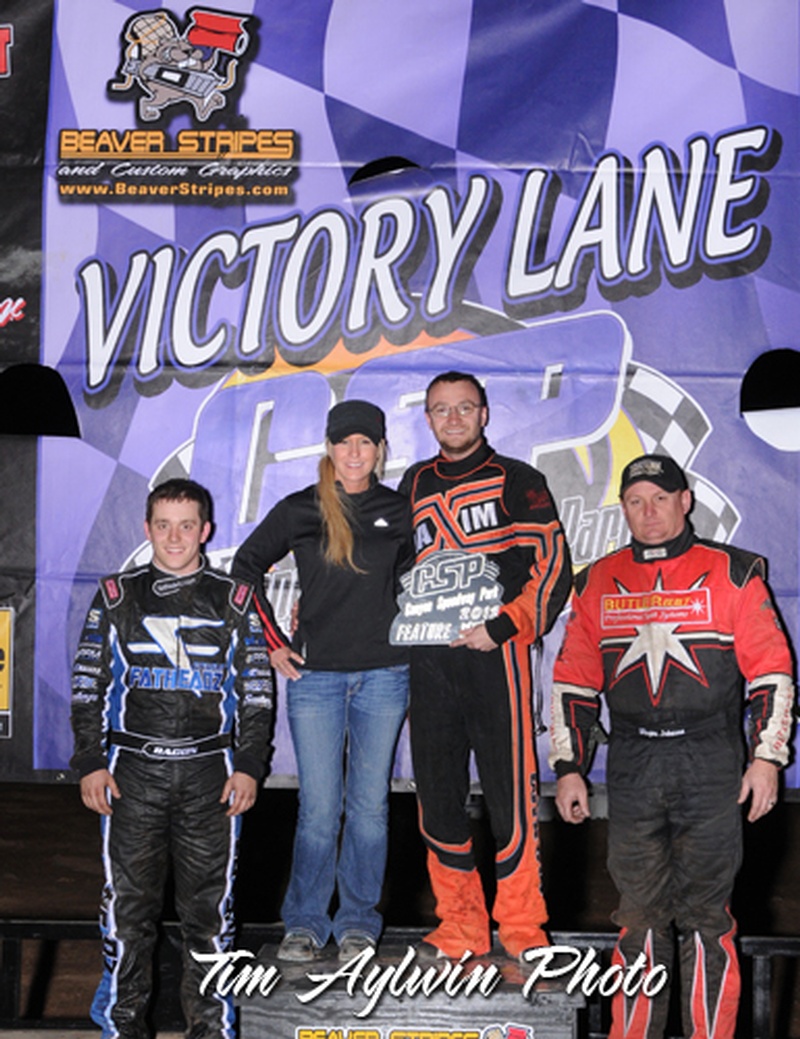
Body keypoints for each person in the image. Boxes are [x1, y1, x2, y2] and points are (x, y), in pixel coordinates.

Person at [550, 453, 795, 1039]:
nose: (649, 512)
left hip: (711, 759)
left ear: (685, 501)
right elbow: (573, 680)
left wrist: (766, 757)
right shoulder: (597, 581)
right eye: (635, 501)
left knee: (710, 919)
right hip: (634, 760)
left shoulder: (734, 573)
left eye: (660, 498)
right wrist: (569, 767)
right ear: (624, 509)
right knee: (637, 918)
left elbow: (772, 670)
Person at [71, 478, 274, 1039]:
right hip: (132, 773)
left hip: (211, 775)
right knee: (126, 915)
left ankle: (212, 1032)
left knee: (210, 918)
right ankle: (121, 1030)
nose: (176, 536)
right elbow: (89, 682)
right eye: (164, 525)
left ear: (206, 530)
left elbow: (256, 688)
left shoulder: (234, 598)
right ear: (147, 529)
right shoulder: (117, 594)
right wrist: (90, 760)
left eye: (188, 525)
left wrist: (250, 765)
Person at [398, 370, 571, 962]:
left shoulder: (518, 480)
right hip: (431, 662)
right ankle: (460, 927)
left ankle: (523, 930)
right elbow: (392, 568)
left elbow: (552, 565)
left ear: (485, 413)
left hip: (498, 658)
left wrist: (502, 626)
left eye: (464, 408)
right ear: (427, 419)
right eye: (441, 410)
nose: (453, 418)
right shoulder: (414, 482)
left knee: (510, 798)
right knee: (438, 796)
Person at [232, 399, 413, 963]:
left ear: (380, 450)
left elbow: (422, 582)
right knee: (318, 808)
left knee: (370, 808)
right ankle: (305, 923)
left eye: (365, 443)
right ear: (329, 449)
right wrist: (271, 640)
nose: (354, 453)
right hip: (316, 680)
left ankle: (358, 921)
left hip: (385, 675)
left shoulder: (400, 509)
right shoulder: (300, 510)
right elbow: (243, 570)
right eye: (344, 443)